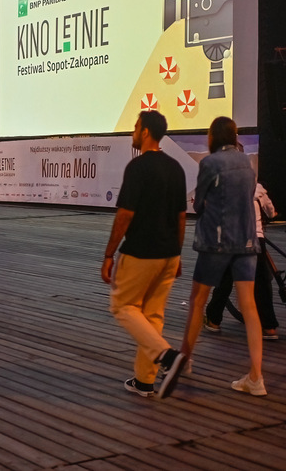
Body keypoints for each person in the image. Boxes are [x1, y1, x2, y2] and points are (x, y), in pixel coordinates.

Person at [100, 111, 187, 399]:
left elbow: (125, 214)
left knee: (123, 306)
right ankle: (144, 381)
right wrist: (178, 251)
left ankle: (166, 356)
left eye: (136, 127)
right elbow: (181, 216)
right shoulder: (176, 168)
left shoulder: (137, 168)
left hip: (141, 251)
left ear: (146, 132)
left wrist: (109, 254)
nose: (133, 131)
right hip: (169, 253)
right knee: (152, 315)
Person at [179, 116, 266, 396]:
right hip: (247, 241)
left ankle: (185, 360)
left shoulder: (209, 163)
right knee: (250, 308)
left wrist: (201, 206)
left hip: (216, 241)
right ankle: (256, 377)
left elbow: (201, 202)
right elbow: (249, 196)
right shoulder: (247, 164)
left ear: (213, 137)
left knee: (198, 301)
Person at [204, 180, 279, 339]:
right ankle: (270, 328)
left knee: (224, 280)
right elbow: (271, 212)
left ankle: (213, 321)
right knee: (262, 283)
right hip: (257, 240)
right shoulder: (258, 189)